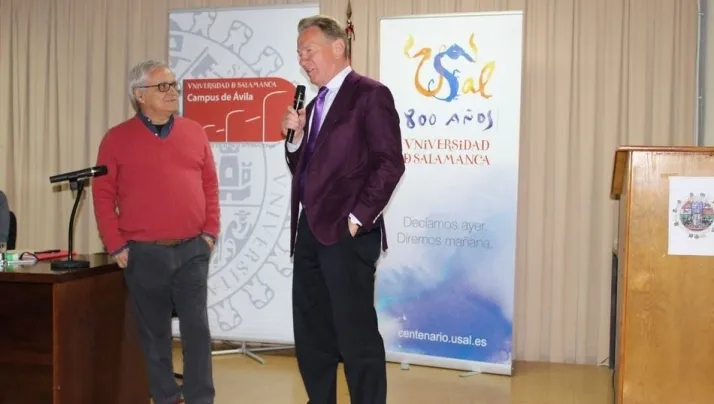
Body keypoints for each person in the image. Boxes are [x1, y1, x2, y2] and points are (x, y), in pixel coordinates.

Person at [281, 15, 405, 404]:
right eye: (299, 54)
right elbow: (305, 170)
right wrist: (296, 139)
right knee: (311, 331)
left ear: (338, 47)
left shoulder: (370, 94)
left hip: (347, 234)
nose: (303, 60)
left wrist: (356, 219)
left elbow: (390, 163)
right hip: (309, 231)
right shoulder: (314, 104)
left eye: (309, 50)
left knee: (355, 334)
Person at [92, 60, 219, 404]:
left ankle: (200, 398)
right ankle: (167, 398)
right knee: (154, 336)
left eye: (173, 85)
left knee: (197, 330)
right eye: (162, 86)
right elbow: (102, 195)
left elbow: (210, 185)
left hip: (193, 250)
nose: (172, 91)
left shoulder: (194, 132)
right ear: (139, 95)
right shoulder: (116, 139)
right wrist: (115, 244)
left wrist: (210, 233)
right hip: (144, 253)